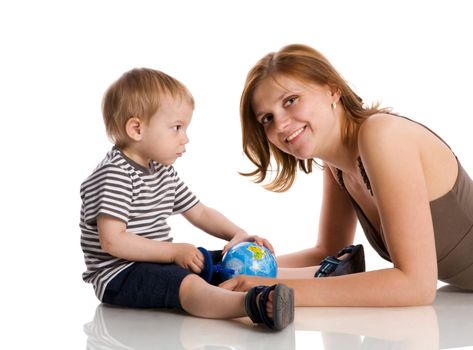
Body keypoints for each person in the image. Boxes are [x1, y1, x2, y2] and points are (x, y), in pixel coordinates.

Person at [219, 43, 473, 306]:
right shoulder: (337, 168)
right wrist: (235, 271)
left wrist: (274, 288)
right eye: (267, 119)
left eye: (291, 101)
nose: (281, 124)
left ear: (332, 89)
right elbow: (327, 255)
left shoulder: (383, 135)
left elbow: (416, 286)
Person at [79, 68, 294, 330]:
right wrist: (173, 251)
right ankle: (252, 305)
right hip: (119, 275)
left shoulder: (160, 171)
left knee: (219, 262)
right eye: (176, 128)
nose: (185, 138)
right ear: (137, 129)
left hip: (155, 263)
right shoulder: (115, 174)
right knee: (188, 283)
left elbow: (199, 212)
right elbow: (113, 241)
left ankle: (307, 280)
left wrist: (238, 235)